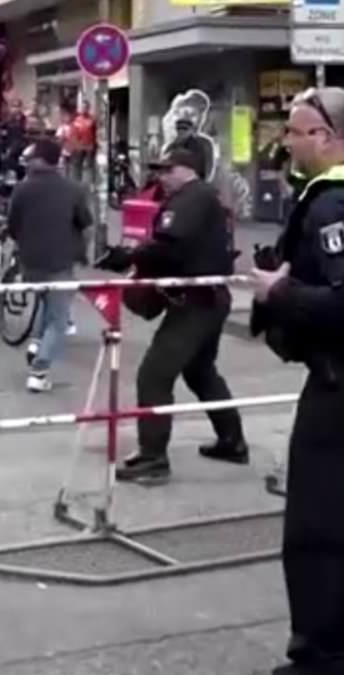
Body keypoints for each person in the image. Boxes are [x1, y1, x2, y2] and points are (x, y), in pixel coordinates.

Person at [250, 86, 344, 675]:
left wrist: (277, 291)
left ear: (327, 138)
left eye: (294, 130)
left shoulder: (333, 206)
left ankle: (321, 652)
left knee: (316, 526)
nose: (286, 141)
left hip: (337, 391)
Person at [98, 148, 247, 485]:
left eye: (167, 170)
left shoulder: (192, 198)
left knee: (154, 375)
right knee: (199, 371)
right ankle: (232, 441)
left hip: (196, 301)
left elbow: (170, 246)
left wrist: (129, 256)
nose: (161, 177)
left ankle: (153, 458)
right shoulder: (200, 197)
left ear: (188, 169)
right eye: (158, 171)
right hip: (208, 298)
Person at [6, 138, 92, 393]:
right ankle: (39, 371)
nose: (29, 161)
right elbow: (86, 226)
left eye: (33, 157)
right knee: (59, 318)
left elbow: (13, 227)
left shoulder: (22, 189)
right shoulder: (73, 189)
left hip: (30, 263)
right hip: (60, 261)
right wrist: (81, 251)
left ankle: (35, 344)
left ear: (40, 160)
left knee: (47, 304)